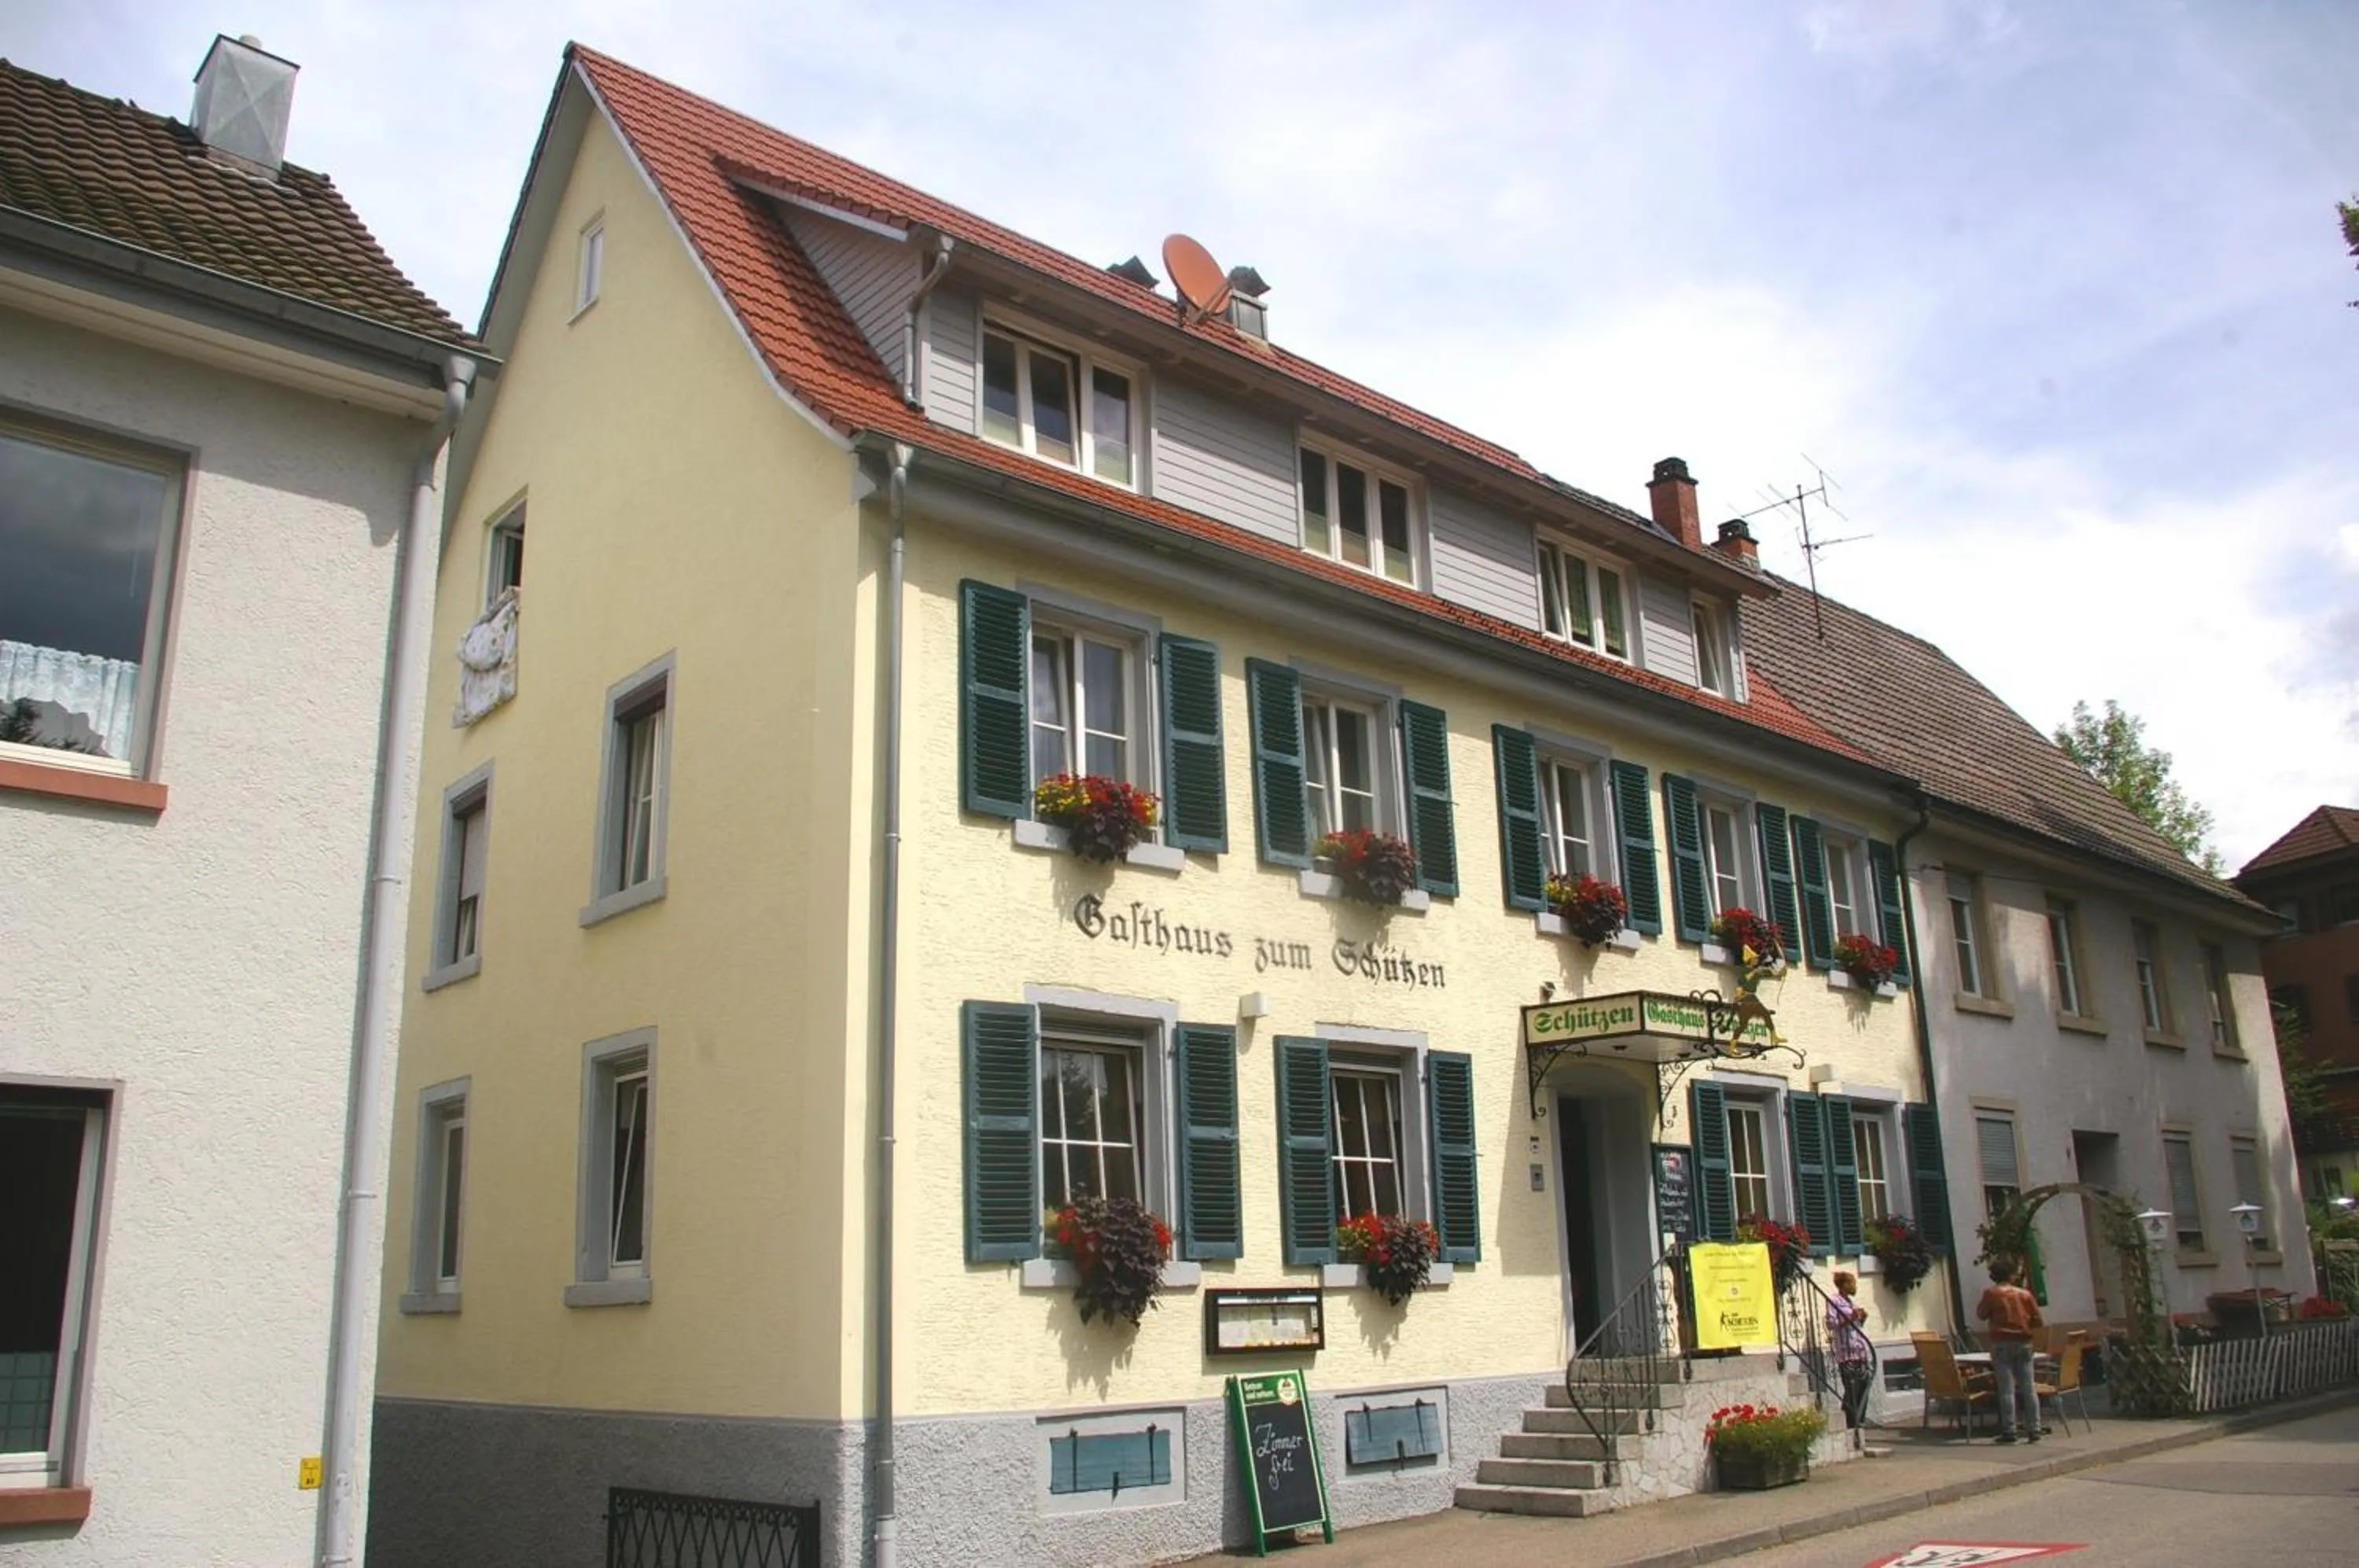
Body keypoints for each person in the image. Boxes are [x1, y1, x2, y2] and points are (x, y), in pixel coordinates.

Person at [1975, 1258, 2045, 1444]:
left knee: (2006, 1389)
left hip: (2002, 1342)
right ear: (2011, 1275)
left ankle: (2009, 1430)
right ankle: (2034, 1428)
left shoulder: (1991, 1294)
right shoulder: (2024, 1294)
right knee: (2029, 1387)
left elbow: (1981, 1314)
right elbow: (2038, 1320)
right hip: (2024, 1342)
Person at [1827, 1270, 1875, 1431]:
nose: (1855, 1286)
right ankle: (1849, 1421)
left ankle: (1859, 1418)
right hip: (1846, 1352)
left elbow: (1856, 1325)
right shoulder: (1834, 1300)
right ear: (1844, 1284)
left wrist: (1862, 1317)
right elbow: (1831, 1323)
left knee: (1864, 1383)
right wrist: (1851, 1317)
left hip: (1859, 1350)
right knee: (1851, 1388)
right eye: (1852, 1283)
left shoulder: (1850, 1302)